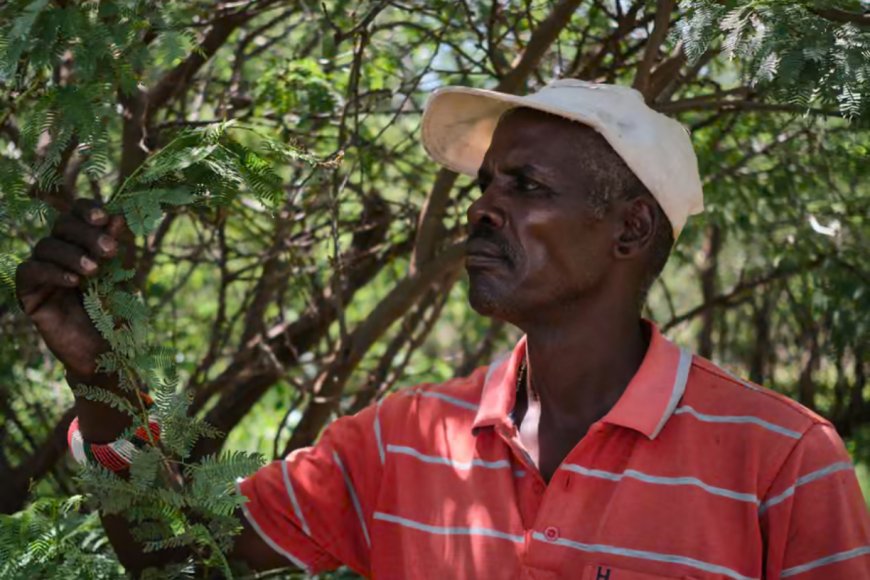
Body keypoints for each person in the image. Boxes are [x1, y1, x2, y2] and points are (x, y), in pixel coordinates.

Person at [17, 80, 870, 579]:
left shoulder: (781, 460)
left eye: (527, 187)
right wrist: (99, 368)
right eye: (486, 184)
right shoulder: (402, 442)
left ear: (632, 230)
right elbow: (183, 556)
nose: (484, 208)